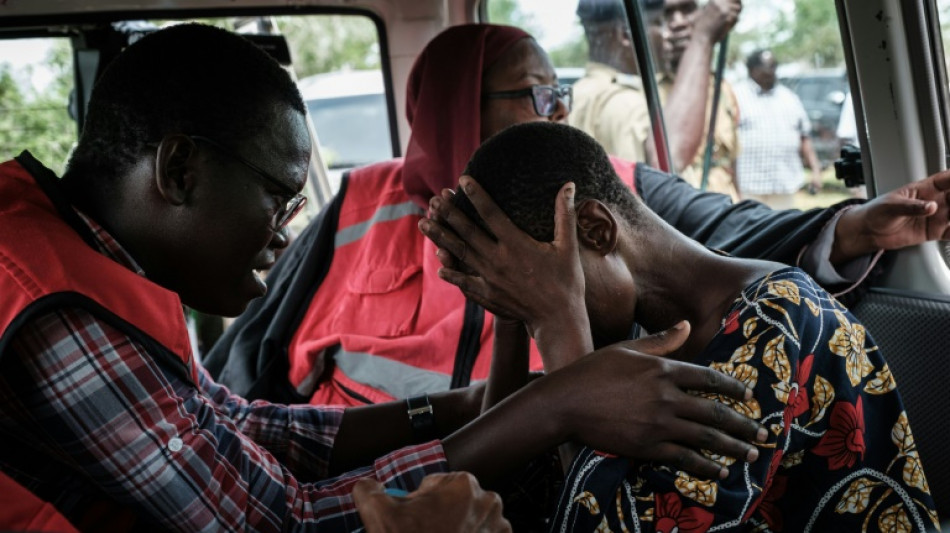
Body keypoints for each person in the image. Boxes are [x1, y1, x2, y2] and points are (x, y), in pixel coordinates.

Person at [0, 22, 771, 531]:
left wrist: (461, 408)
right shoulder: (52, 310)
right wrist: (554, 404)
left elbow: (238, 421)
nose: (288, 228)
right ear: (179, 169)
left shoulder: (80, 261)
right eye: (278, 197)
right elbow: (280, 521)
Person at [205, 22, 950, 411]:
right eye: (536, 96)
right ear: (458, 106)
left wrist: (859, 226)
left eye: (557, 93)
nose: (558, 111)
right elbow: (253, 360)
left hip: (525, 458)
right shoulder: (362, 202)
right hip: (355, 463)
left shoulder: (599, 190)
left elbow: (724, 235)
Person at [421, 121, 940, 531]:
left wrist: (558, 320)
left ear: (597, 231)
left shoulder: (769, 326)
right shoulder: (637, 328)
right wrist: (514, 318)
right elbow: (507, 496)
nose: (542, 313)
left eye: (542, 291)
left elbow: (611, 522)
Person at [570, 0, 742, 199]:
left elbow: (730, 162)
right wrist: (702, 40)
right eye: (661, 20)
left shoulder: (577, 94)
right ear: (627, 33)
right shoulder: (632, 99)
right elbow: (669, 163)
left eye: (687, 10)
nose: (673, 27)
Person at [735, 49, 824, 208]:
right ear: (752, 69)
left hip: (783, 184)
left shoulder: (788, 97)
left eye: (775, 65)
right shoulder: (736, 96)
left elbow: (804, 136)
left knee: (783, 231)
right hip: (748, 186)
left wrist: (815, 171)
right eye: (768, 66)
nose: (773, 70)